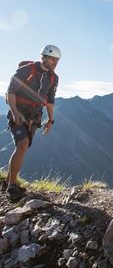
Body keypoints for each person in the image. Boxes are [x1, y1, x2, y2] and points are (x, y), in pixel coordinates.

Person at [2, 45, 61, 201]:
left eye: (57, 60)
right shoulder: (25, 71)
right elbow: (10, 92)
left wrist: (50, 120)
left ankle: (7, 181)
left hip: (34, 117)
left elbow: (50, 100)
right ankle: (12, 187)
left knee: (24, 147)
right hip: (19, 112)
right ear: (44, 57)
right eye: (53, 59)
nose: (55, 62)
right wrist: (15, 113)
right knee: (22, 144)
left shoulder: (54, 78)